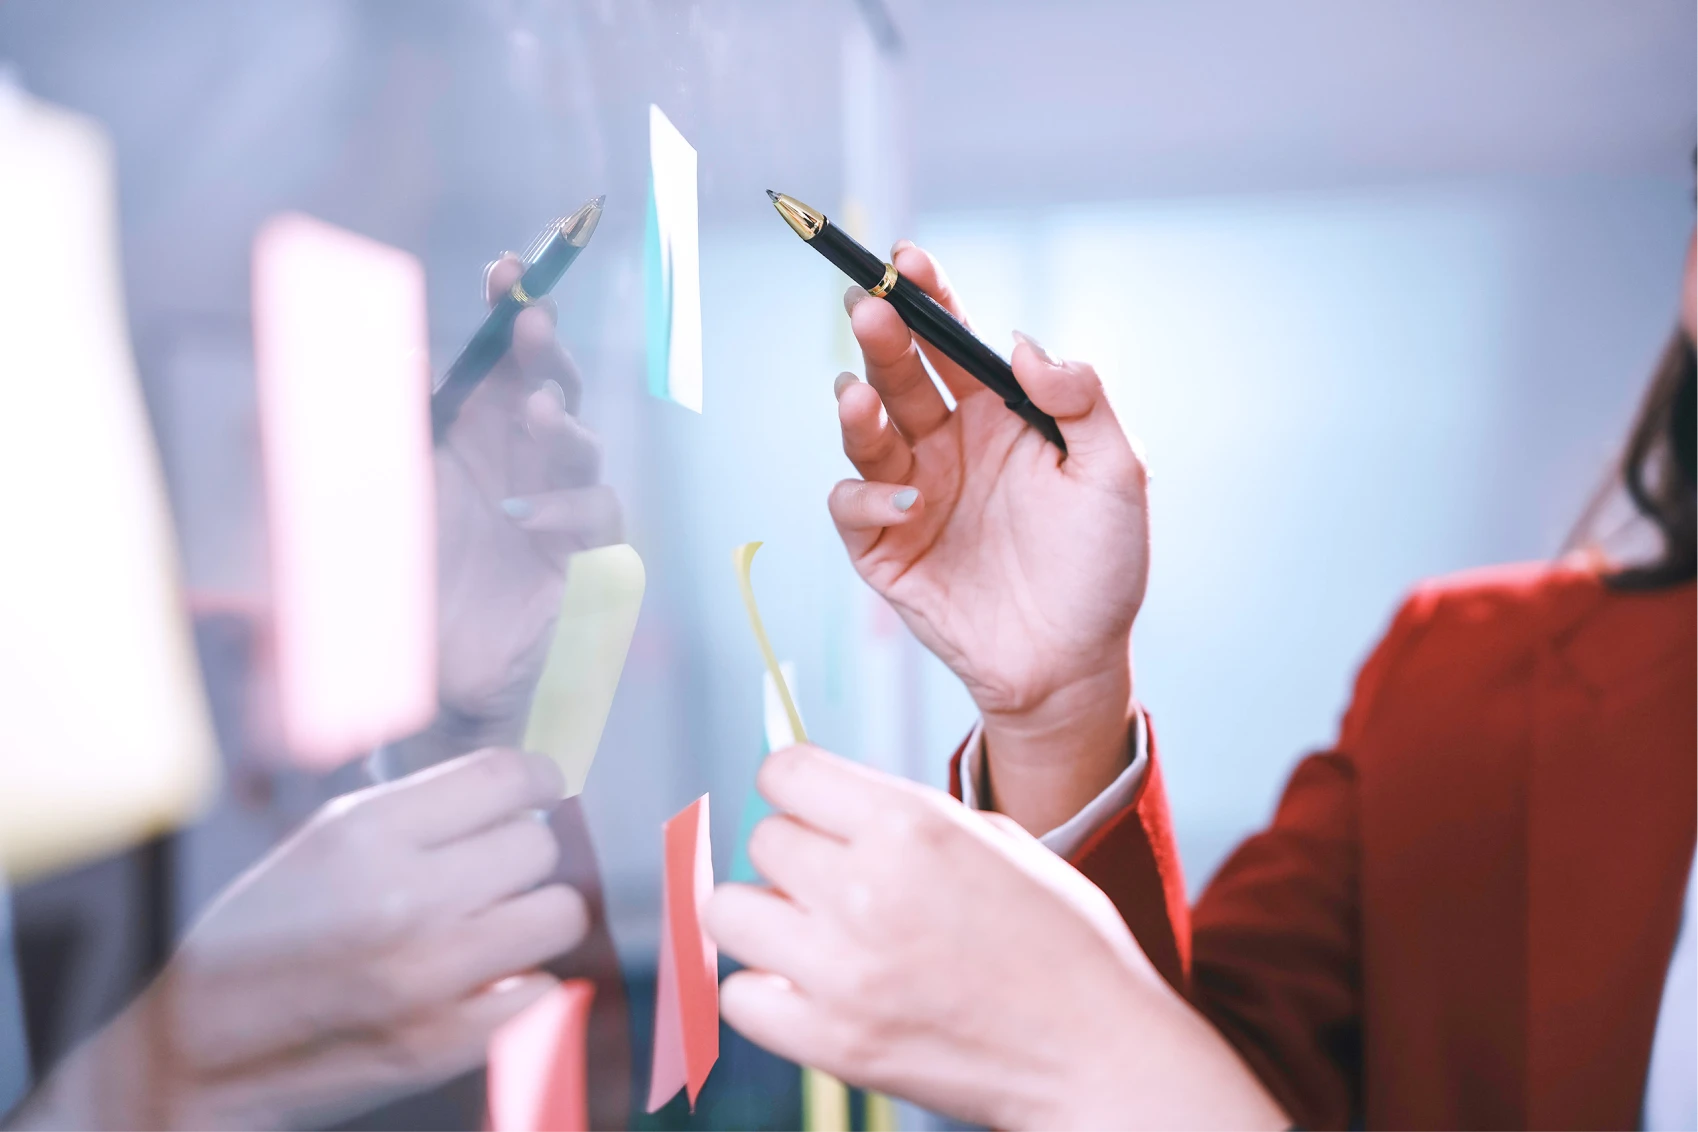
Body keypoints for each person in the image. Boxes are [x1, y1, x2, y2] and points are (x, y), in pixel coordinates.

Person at [708, 172, 1698, 1129]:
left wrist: (1089, 1059)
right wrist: (1060, 712)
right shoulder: (1464, 670)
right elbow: (1217, 1058)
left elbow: (1144, 1071)